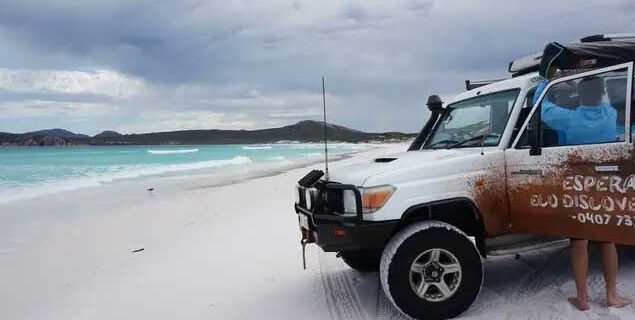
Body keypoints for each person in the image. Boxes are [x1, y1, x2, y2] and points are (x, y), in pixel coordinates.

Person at [537, 75, 631, 310]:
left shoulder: (569, 119)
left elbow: (543, 107)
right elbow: (604, 101)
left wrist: (545, 82)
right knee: (608, 240)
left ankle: (582, 298)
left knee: (579, 242)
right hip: (605, 185)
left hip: (578, 185)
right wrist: (583, 88)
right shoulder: (610, 116)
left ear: (580, 96)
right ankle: (611, 295)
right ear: (601, 94)